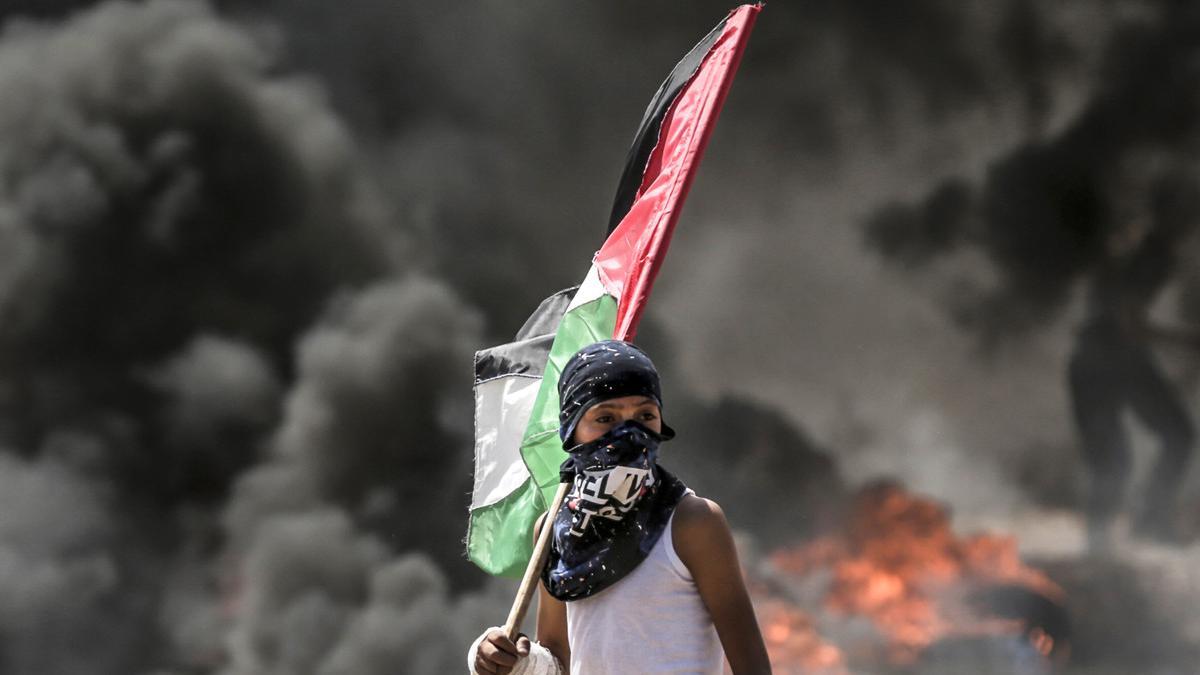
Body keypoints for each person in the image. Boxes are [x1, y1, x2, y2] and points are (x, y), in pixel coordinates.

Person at [469, 340, 772, 674]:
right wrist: (510, 660)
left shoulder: (691, 521)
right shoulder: (554, 528)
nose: (629, 433)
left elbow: (751, 664)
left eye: (645, 414)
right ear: (571, 431)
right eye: (606, 417)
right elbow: (558, 658)